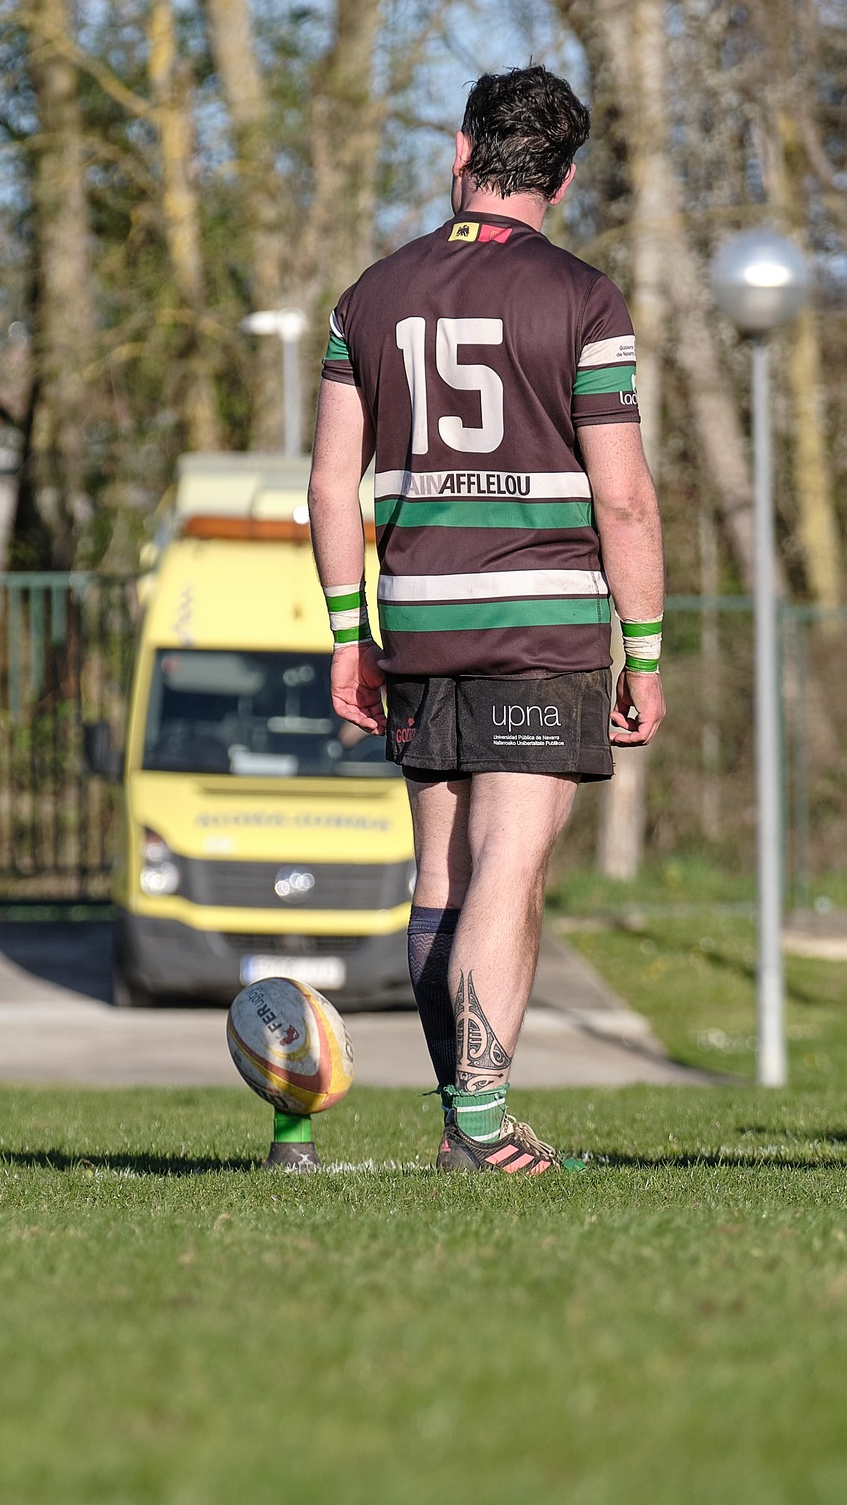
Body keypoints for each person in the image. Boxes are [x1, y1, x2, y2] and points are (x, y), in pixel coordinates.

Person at [307, 66, 666, 1174]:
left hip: (417, 619)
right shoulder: (584, 299)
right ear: (561, 177)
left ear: (458, 151)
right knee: (509, 864)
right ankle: (475, 1124)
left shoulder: (366, 294)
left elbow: (329, 485)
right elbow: (623, 496)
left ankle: (472, 1116)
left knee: (442, 879)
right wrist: (642, 653)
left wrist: (344, 633)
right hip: (538, 622)